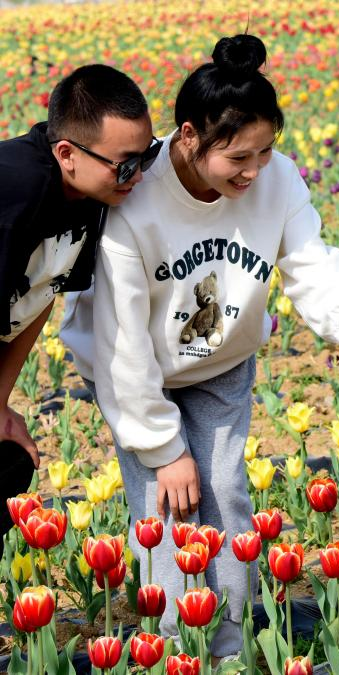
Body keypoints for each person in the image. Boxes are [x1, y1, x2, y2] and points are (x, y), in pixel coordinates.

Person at [62, 35, 339, 658]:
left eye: (266, 150)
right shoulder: (135, 201)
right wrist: (164, 450)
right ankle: (174, 651)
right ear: (188, 137)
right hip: (143, 375)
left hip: (222, 366)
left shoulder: (276, 181)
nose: (254, 170)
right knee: (169, 514)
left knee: (225, 494)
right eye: (238, 156)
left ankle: (230, 649)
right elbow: (120, 341)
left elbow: (310, 263)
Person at [0, 65, 155, 553]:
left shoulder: (90, 194)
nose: (139, 176)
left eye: (145, 157)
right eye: (126, 163)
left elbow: (43, 294)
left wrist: (0, 402)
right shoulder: (14, 190)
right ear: (66, 153)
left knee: (9, 463)